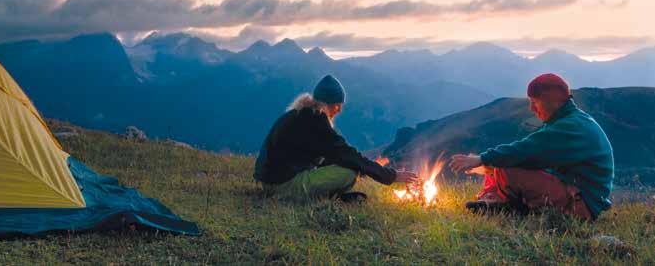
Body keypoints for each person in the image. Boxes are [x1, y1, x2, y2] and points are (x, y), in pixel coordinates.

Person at [449, 73, 614, 220]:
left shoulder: (571, 127)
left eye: (535, 102)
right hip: (578, 193)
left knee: (506, 166)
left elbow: (524, 151)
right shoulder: (567, 121)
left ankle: (502, 205)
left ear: (552, 101)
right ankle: (494, 203)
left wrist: (481, 159)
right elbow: (532, 155)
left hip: (581, 204)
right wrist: (487, 164)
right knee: (501, 164)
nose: (531, 108)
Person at [254, 74, 418, 202]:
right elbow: (346, 153)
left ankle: (329, 197)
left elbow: (332, 154)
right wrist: (391, 176)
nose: (339, 110)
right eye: (338, 105)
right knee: (348, 173)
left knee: (344, 164)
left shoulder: (300, 115)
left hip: (270, 181)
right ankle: (304, 197)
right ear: (330, 104)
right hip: (283, 185)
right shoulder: (316, 122)